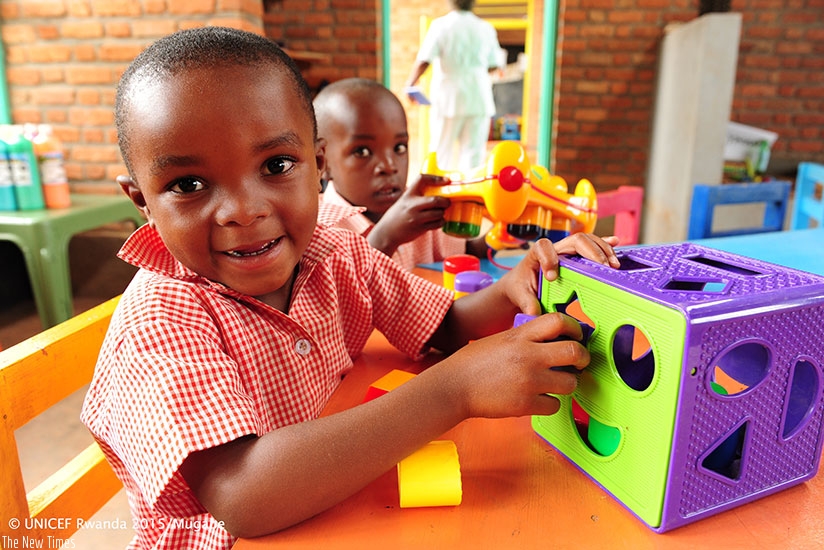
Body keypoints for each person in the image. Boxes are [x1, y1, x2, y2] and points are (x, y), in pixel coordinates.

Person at [80, 26, 620, 549]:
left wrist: (514, 286)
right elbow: (243, 494)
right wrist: (455, 390)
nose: (244, 210)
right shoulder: (160, 321)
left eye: (275, 165)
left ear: (317, 168)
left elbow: (446, 325)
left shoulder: (335, 252)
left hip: (335, 501)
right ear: (143, 201)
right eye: (188, 185)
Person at [315, 77, 486, 270]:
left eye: (399, 148)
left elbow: (465, 255)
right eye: (362, 152)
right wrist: (386, 237)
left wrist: (500, 237)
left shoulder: (421, 209)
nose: (389, 166)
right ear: (322, 164)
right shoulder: (319, 231)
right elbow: (339, 294)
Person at [404, 0, 502, 172]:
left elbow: (424, 60)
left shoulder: (440, 26)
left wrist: (410, 83)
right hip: (478, 96)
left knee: (441, 152)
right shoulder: (486, 28)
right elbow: (495, 64)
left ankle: (439, 193)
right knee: (473, 155)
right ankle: (469, 195)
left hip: (448, 97)